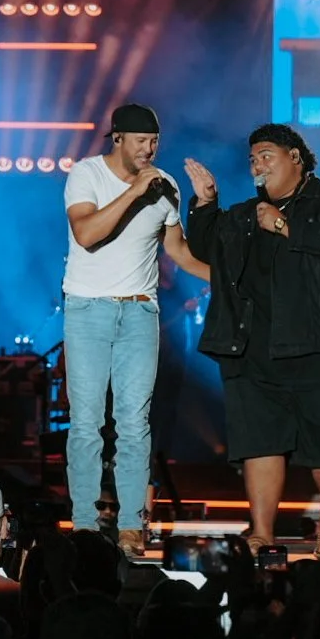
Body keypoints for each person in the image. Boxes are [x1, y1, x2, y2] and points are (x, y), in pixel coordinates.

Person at [184, 124, 320, 557]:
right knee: (260, 441)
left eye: (266, 155)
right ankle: (262, 532)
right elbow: (207, 248)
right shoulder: (247, 214)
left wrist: (285, 225)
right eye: (252, 159)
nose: (257, 165)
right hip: (256, 348)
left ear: (295, 158)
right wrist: (206, 203)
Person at [62, 103, 209, 556]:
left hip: (141, 313)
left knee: (134, 424)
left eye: (155, 142)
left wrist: (232, 280)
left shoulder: (165, 187)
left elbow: (179, 252)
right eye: (142, 141)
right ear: (118, 138)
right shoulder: (86, 174)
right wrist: (134, 192)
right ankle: (85, 525)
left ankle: (131, 526)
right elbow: (87, 233)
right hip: (88, 310)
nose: (150, 149)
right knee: (87, 423)